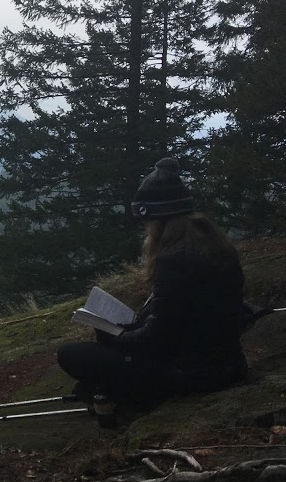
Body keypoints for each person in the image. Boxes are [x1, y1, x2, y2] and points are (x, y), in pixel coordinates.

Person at [57, 157, 248, 413]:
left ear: (159, 220)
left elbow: (158, 339)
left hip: (190, 372)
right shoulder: (215, 246)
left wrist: (117, 337)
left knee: (71, 354)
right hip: (227, 363)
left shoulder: (174, 259)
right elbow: (178, 319)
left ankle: (130, 396)